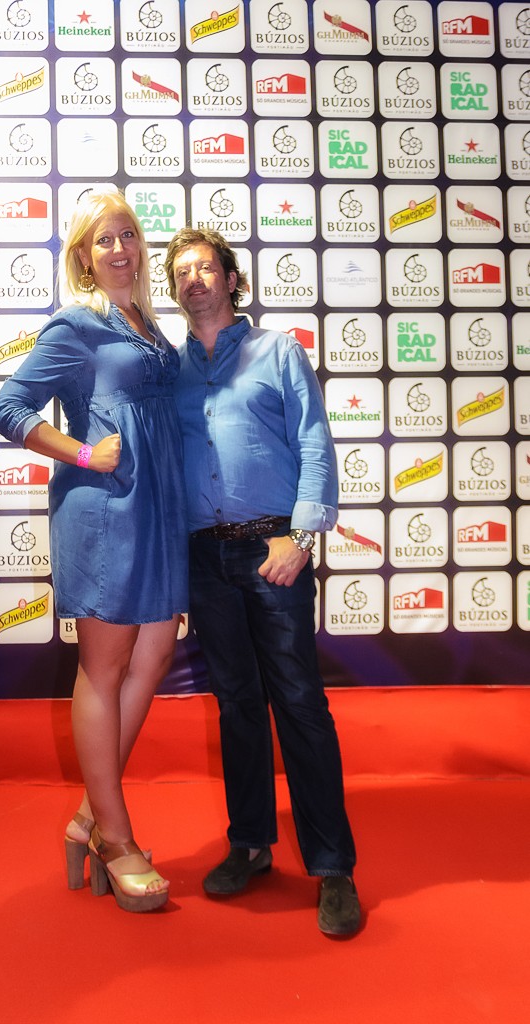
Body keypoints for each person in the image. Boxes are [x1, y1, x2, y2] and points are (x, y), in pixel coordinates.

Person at [0, 191, 187, 913]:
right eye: (104, 240)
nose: (120, 248)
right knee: (104, 669)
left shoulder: (151, 328)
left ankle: (86, 816)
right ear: (83, 256)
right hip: (105, 511)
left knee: (155, 656)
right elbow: (7, 408)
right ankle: (116, 834)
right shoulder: (76, 326)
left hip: (160, 510)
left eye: (128, 234)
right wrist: (81, 452)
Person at [164, 227, 361, 936]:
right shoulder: (170, 369)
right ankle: (250, 844)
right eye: (181, 272)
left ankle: (333, 867)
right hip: (204, 558)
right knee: (237, 705)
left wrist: (301, 536)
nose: (194, 279)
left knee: (299, 703)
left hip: (274, 550)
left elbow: (314, 440)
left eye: (205, 267)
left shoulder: (278, 351)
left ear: (230, 279)